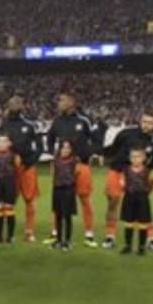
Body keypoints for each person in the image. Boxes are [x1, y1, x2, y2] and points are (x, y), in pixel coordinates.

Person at [45, 93, 106, 247]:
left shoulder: (84, 120)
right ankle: (55, 233)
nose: (59, 102)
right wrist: (54, 154)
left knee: (84, 199)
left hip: (81, 166)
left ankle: (89, 234)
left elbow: (97, 140)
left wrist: (85, 154)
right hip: (62, 166)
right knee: (57, 200)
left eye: (62, 100)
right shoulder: (57, 121)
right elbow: (50, 138)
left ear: (72, 102)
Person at [104, 112, 153, 250]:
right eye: (144, 121)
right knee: (113, 202)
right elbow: (114, 148)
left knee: (141, 205)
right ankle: (110, 235)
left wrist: (141, 173)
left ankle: (151, 237)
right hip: (117, 171)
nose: (146, 124)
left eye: (150, 122)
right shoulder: (126, 133)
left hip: (137, 175)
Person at [0, 96, 41, 242]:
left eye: (18, 102)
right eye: (12, 103)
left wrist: (29, 161)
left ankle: (29, 231)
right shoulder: (4, 124)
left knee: (29, 199)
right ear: (8, 105)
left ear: (23, 105)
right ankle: (0, 230)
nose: (15, 105)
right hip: (9, 168)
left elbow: (40, 146)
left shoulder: (30, 124)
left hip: (27, 167)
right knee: (8, 200)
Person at [119, 148, 153, 255]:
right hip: (129, 198)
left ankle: (141, 247)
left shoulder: (147, 171)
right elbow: (122, 183)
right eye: (133, 157)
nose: (135, 159)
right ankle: (128, 245)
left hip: (142, 199)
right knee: (128, 222)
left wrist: (146, 193)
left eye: (138, 156)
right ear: (130, 159)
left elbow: (151, 184)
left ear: (143, 158)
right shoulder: (125, 170)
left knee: (143, 223)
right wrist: (123, 185)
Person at [50, 140, 84, 250]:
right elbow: (52, 173)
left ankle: (68, 241)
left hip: (68, 190)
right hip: (57, 190)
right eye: (63, 147)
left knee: (67, 216)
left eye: (68, 148)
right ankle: (59, 240)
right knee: (58, 215)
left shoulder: (74, 161)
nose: (65, 150)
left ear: (71, 149)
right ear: (59, 149)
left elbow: (77, 174)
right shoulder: (55, 160)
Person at [0, 135, 21, 244]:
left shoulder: (14, 156)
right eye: (0, 141)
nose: (2, 144)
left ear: (9, 144)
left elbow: (18, 170)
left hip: (10, 183)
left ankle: (10, 236)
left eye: (5, 141)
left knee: (9, 208)